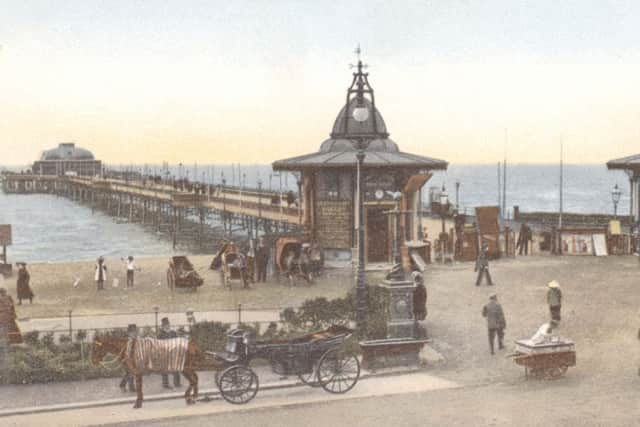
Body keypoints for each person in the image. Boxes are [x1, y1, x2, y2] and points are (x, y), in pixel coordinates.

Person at [158, 317, 181, 389]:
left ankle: (177, 383)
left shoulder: (173, 333)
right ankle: (165, 384)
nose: (167, 326)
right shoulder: (160, 334)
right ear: (162, 326)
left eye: (167, 324)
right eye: (165, 325)